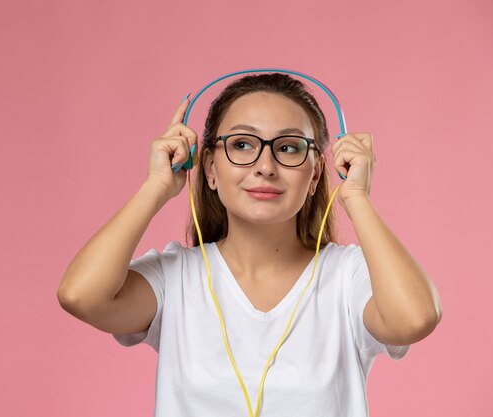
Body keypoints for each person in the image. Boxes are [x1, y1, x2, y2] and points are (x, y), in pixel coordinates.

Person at [57, 73, 443, 417]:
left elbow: (414, 319)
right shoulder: (175, 278)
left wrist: (356, 196)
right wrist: (156, 187)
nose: (265, 165)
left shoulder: (348, 276)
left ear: (315, 175)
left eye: (289, 147)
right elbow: (80, 295)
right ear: (210, 168)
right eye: (242, 144)